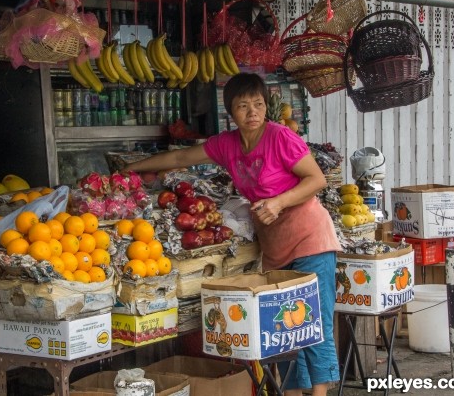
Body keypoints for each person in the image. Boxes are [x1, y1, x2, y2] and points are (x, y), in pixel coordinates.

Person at [124, 72, 341, 396]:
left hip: (310, 238)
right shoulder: (227, 145)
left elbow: (316, 180)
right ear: (231, 112)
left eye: (258, 104)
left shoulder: (281, 137)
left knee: (313, 324)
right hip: (275, 247)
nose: (252, 112)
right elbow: (182, 157)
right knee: (282, 328)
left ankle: (321, 394)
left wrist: (279, 202)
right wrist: (134, 168)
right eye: (243, 105)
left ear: (266, 106)